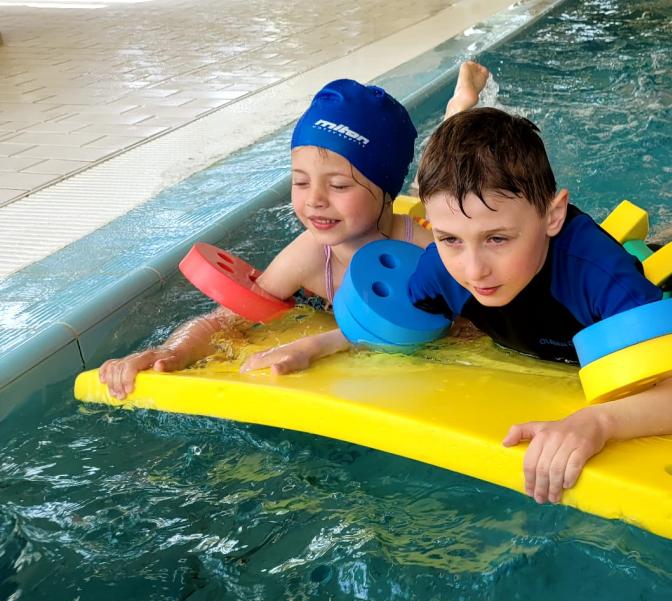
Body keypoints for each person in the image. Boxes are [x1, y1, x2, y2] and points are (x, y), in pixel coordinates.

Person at [94, 67, 475, 398]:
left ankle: (459, 110)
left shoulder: (427, 251)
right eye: (300, 182)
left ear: (385, 190)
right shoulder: (308, 256)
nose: (315, 201)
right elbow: (224, 322)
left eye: (339, 185)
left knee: (436, 188)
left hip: (419, 219)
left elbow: (474, 324)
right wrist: (172, 351)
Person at [406, 107, 672, 506]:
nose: (473, 269)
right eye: (450, 239)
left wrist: (597, 423)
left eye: (497, 239)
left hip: (630, 287)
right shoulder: (438, 269)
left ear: (552, 216)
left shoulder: (598, 274)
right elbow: (406, 330)